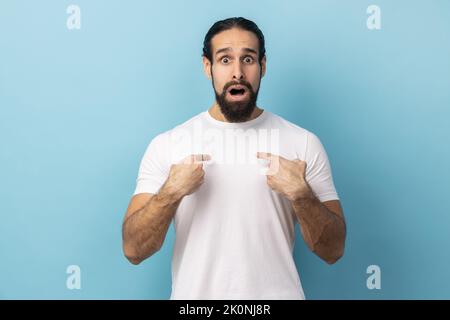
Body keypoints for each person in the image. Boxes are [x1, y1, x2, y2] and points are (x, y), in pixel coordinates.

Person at [122, 17, 346, 300]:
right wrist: (171, 192)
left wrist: (301, 194)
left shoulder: (302, 143)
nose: (237, 72)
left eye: (248, 59)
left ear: (263, 66)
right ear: (208, 67)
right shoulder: (168, 145)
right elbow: (133, 250)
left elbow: (333, 250)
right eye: (225, 60)